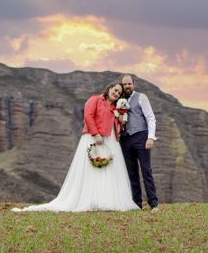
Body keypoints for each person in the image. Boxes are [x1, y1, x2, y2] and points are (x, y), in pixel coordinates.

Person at [12, 82, 139, 212]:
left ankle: (106, 200)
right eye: (115, 90)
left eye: (119, 93)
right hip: (93, 138)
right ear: (110, 88)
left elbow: (116, 125)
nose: (116, 93)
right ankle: (89, 200)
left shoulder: (115, 107)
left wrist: (122, 120)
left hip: (110, 140)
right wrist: (96, 134)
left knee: (108, 171)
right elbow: (88, 116)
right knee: (91, 170)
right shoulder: (95, 99)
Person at [119, 74, 159, 212]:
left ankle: (153, 203)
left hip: (141, 137)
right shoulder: (120, 99)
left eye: (129, 84)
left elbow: (150, 117)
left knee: (146, 170)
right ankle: (137, 204)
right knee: (132, 173)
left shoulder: (141, 97)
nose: (127, 86)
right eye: (124, 84)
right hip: (125, 139)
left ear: (133, 84)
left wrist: (151, 137)